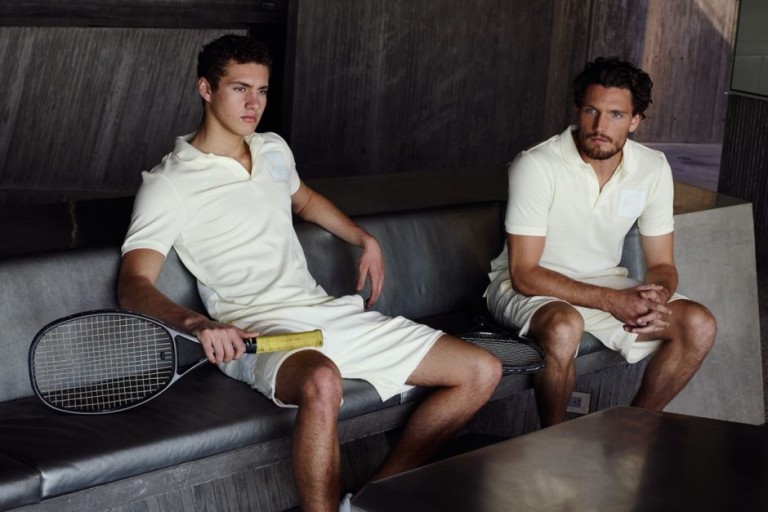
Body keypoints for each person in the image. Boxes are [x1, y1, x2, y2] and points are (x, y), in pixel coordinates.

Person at [117, 34, 501, 512]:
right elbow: (133, 284)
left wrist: (363, 238)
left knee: (481, 371)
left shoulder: (273, 149)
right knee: (323, 381)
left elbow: (305, 200)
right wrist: (199, 324)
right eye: (240, 89)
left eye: (262, 90)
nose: (254, 103)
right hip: (256, 331)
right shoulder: (169, 183)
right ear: (206, 89)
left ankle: (364, 502)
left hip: (326, 314)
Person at [485, 56, 716, 427]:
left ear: (635, 120)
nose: (600, 126)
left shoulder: (653, 167)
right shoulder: (537, 164)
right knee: (564, 327)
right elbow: (525, 273)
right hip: (528, 287)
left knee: (699, 324)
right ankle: (554, 441)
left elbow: (661, 264)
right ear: (578, 110)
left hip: (603, 284)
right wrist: (613, 301)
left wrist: (657, 295)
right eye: (591, 111)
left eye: (616, 115)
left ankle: (631, 430)